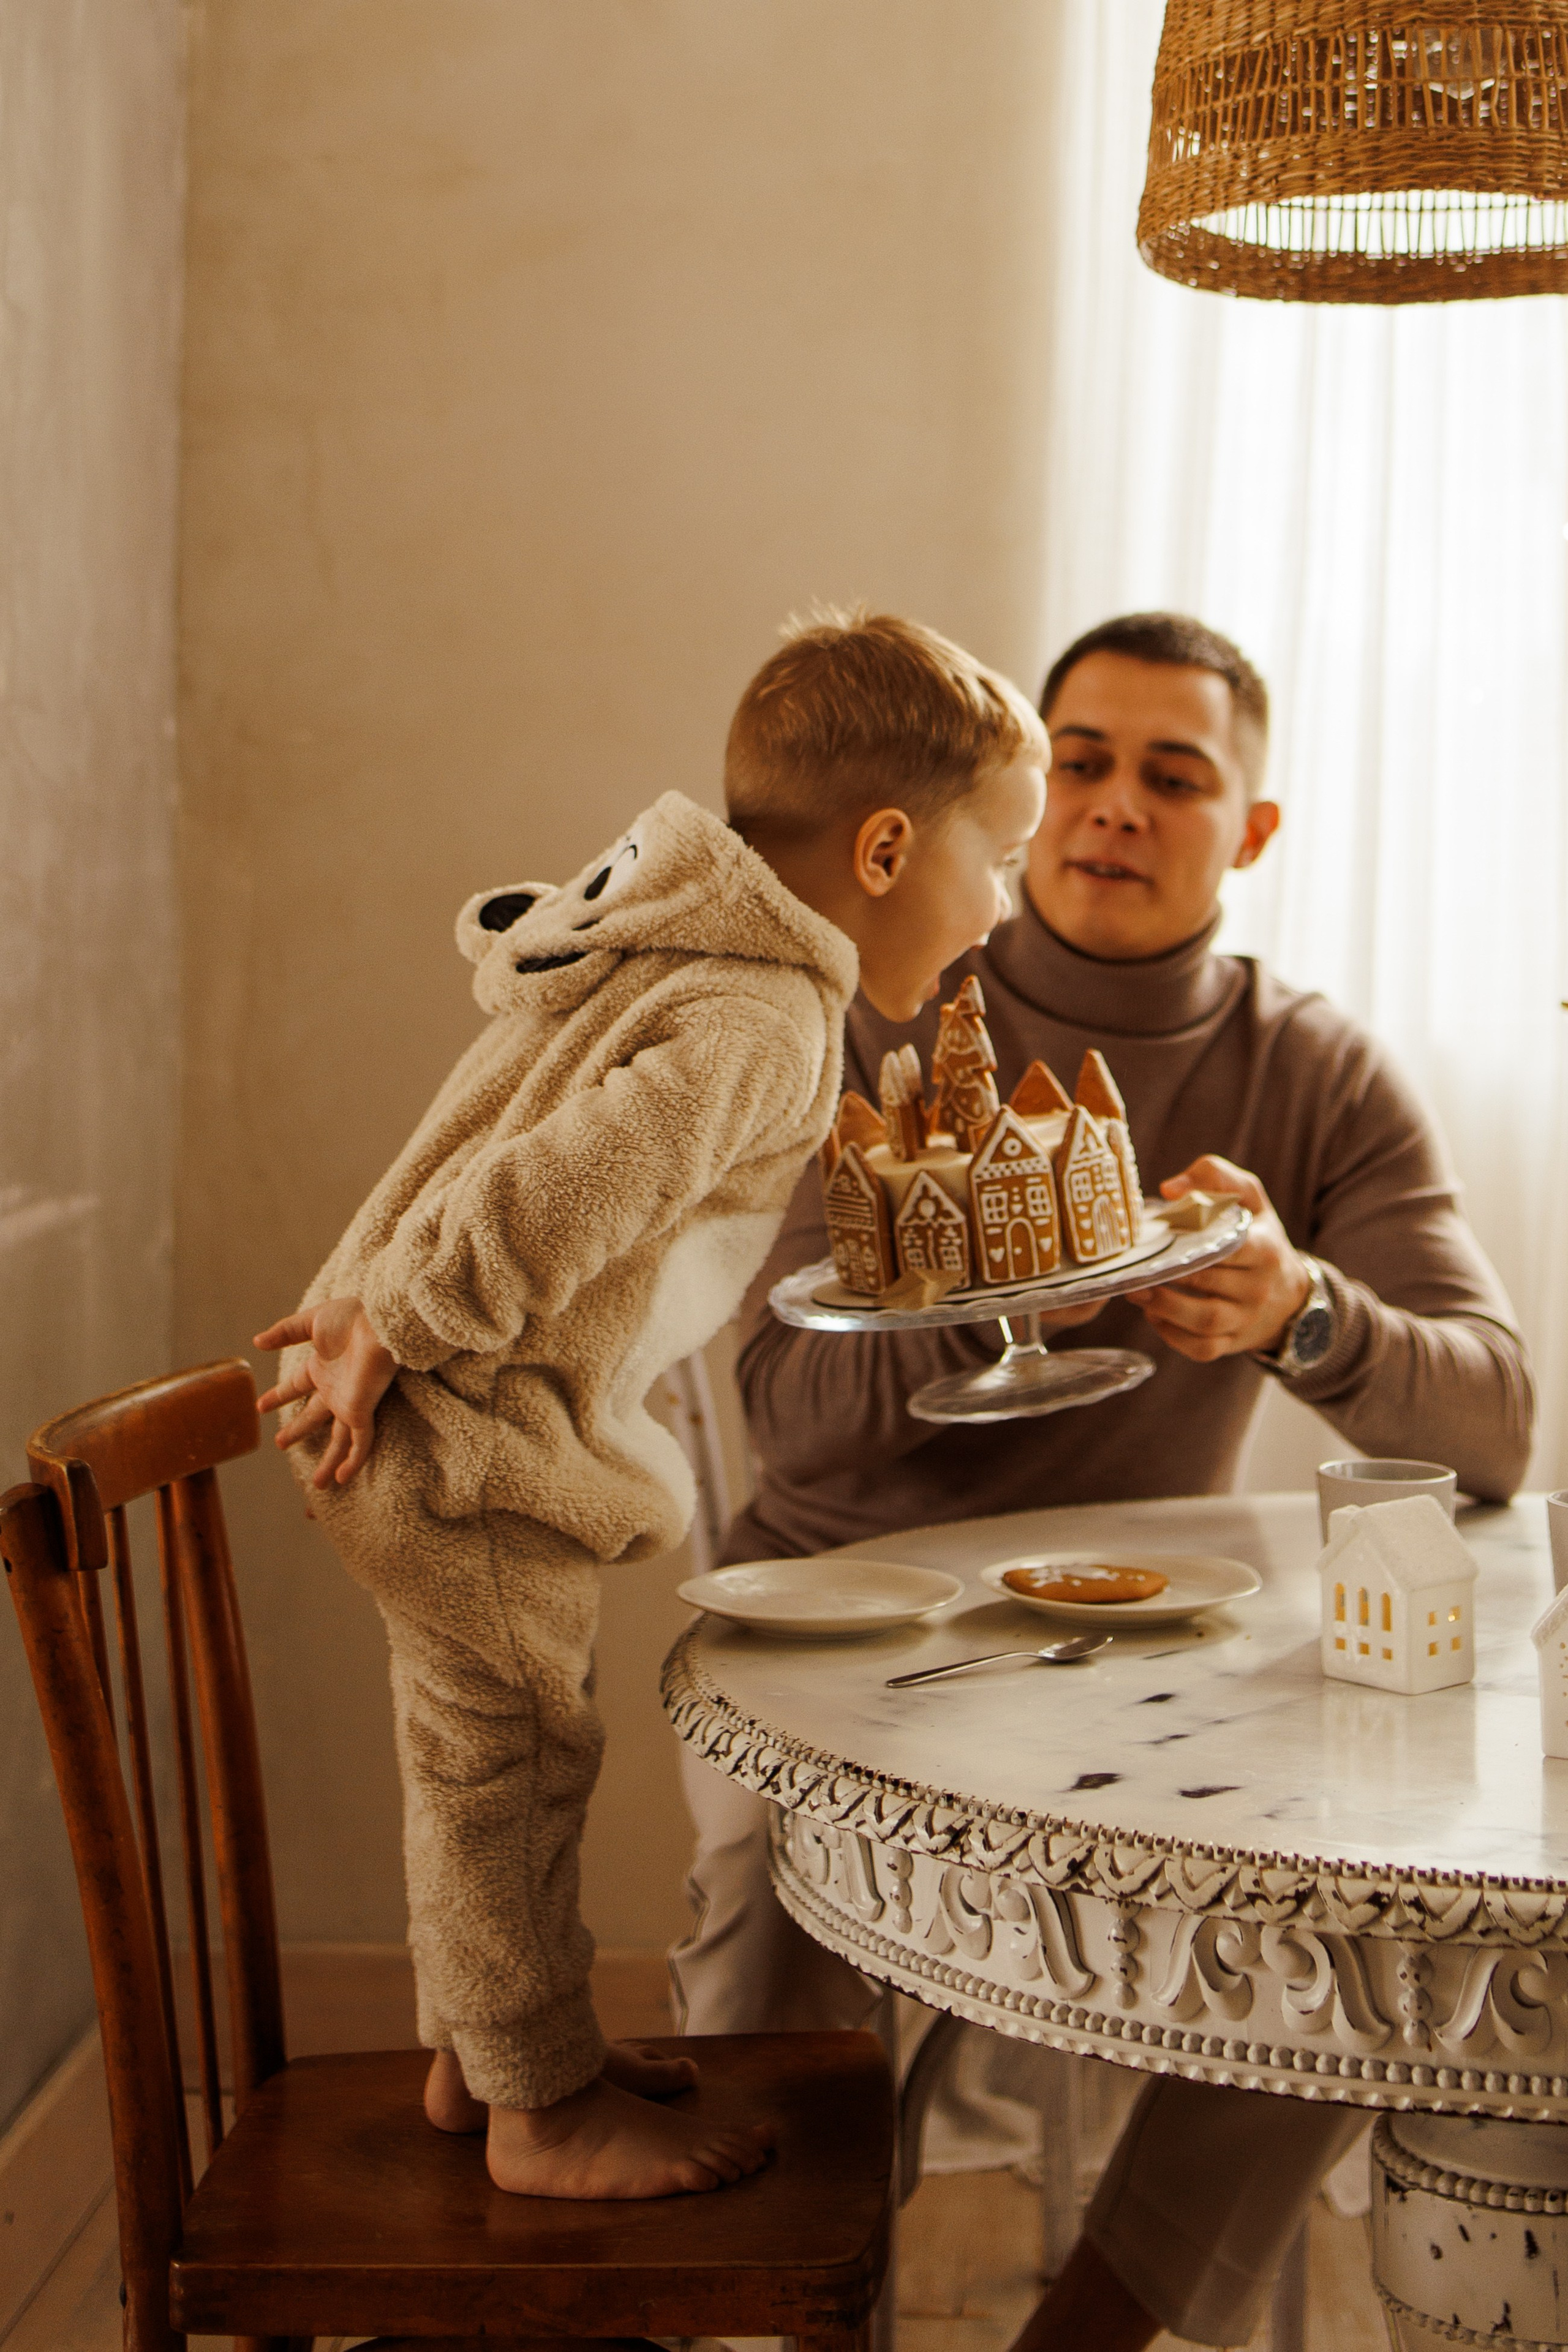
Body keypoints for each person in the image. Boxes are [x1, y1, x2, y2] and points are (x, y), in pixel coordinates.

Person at [671, 612, 1533, 2343]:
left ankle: (1097, 2327)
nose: (1117, 806)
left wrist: (1302, 1313)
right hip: (842, 1628)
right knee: (774, 1995)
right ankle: (767, 2304)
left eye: (1176, 775)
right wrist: (1010, 1286)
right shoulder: (878, 1010)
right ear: (1026, 793)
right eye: (1082, 762)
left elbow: (1498, 1427)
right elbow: (791, 1416)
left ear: (1251, 830)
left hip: (1144, 1644)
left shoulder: (1311, 1070)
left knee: (1359, 1924)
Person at [251, 611, 1048, 2202]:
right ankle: (541, 2113)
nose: (1006, 904)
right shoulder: (764, 1021)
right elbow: (561, 1183)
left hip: (439, 1404)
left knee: (482, 1752)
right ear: (888, 850)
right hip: (460, 1427)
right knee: (513, 1765)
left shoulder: (685, 954)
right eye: (1003, 857)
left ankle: (485, 2060)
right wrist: (404, 1320)